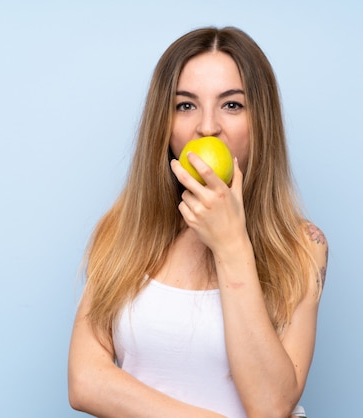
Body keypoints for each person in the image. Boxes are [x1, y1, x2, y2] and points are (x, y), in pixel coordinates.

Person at [68, 26, 328, 418]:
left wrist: (231, 245)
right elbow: (85, 380)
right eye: (186, 105)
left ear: (262, 122)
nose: (207, 128)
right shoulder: (121, 231)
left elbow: (272, 405)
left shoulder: (302, 245)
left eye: (232, 105)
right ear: (164, 123)